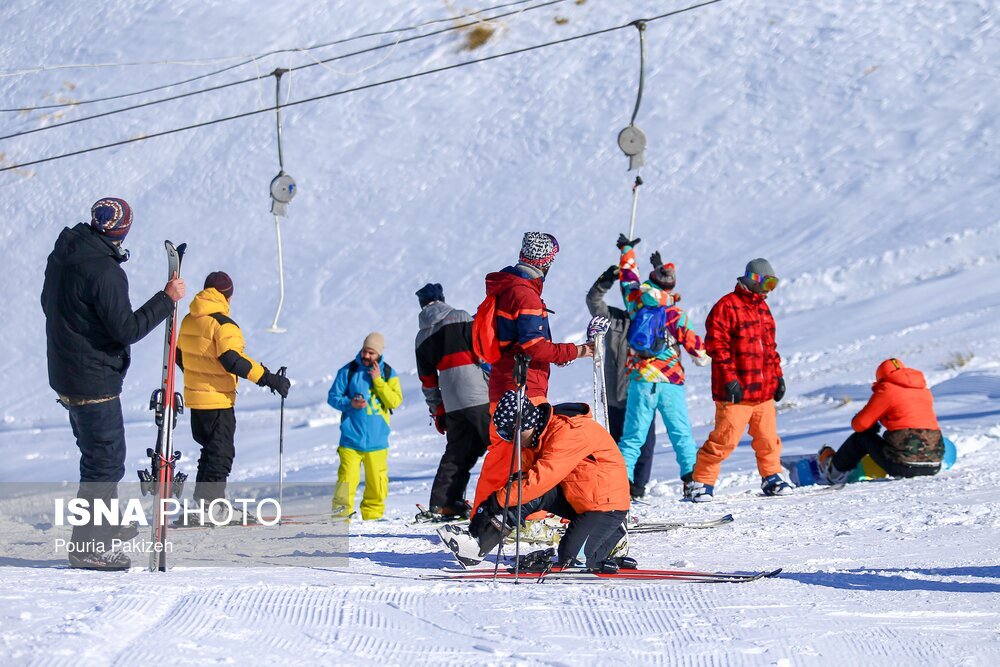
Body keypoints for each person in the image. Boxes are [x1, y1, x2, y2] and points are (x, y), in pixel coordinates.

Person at [41, 197, 185, 570]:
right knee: (103, 465)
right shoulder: (104, 271)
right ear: (122, 230)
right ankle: (89, 547)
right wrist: (165, 300)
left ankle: (105, 524)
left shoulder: (63, 256)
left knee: (99, 459)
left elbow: (49, 304)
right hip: (93, 380)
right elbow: (127, 328)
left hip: (69, 374)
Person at [470, 232, 593, 516]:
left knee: (501, 457)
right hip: (524, 386)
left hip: (503, 384)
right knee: (531, 455)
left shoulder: (507, 288)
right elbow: (535, 347)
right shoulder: (524, 294)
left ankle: (481, 517)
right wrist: (578, 351)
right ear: (547, 260)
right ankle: (531, 516)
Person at [439, 390, 632, 571]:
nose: (508, 440)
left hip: (606, 505)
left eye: (508, 433)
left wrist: (498, 500)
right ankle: (477, 546)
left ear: (525, 424)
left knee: (570, 561)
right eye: (503, 434)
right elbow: (525, 483)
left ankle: (612, 537)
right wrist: (488, 511)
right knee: (520, 494)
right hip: (579, 497)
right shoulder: (534, 438)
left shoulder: (569, 432)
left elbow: (541, 479)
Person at [175, 271, 290, 519]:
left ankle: (202, 506)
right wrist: (269, 378)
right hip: (218, 399)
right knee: (221, 454)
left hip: (197, 401)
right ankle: (212, 506)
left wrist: (199, 378)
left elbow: (179, 356)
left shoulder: (187, 321)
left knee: (209, 451)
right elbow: (232, 360)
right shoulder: (223, 324)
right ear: (228, 296)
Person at [689, 258, 791, 502]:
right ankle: (701, 482)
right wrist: (729, 380)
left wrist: (778, 377)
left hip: (763, 391)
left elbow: (770, 348)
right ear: (753, 278)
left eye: (774, 284)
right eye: (768, 283)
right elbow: (717, 346)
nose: (769, 290)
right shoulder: (727, 306)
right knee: (725, 439)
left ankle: (772, 477)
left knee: (768, 439)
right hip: (736, 392)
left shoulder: (763, 309)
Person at [615, 235, 709, 498]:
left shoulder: (635, 302)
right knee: (681, 433)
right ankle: (693, 483)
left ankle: (619, 489)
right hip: (670, 380)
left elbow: (628, 279)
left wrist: (627, 250)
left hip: (641, 378)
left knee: (632, 437)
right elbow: (699, 353)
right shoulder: (676, 314)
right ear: (672, 285)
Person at [414, 283, 491, 518]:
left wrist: (438, 409)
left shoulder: (420, 337)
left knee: (458, 452)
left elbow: (427, 380)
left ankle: (443, 504)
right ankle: (511, 504)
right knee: (502, 445)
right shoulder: (460, 316)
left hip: (452, 401)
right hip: (478, 393)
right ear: (442, 298)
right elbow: (482, 352)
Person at [586, 264, 657, 499]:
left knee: (644, 445)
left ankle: (638, 488)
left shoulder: (653, 320)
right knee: (616, 446)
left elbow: (668, 297)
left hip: (644, 394)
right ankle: (618, 488)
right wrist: (605, 280)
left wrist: (658, 270)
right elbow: (593, 302)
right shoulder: (614, 319)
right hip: (617, 397)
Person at [819, 358, 945, 483]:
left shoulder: (887, 390)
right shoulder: (924, 392)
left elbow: (859, 424)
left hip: (904, 467)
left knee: (862, 437)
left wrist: (869, 425)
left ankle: (833, 470)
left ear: (880, 377)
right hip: (934, 466)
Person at [327, 332, 403, 520]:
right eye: (365, 351)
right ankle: (340, 518)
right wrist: (349, 403)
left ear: (379, 354)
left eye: (372, 353)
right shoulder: (348, 371)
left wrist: (378, 381)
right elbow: (333, 398)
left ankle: (373, 518)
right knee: (346, 482)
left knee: (377, 485)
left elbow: (394, 401)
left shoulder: (388, 373)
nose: (367, 356)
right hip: (350, 440)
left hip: (377, 442)